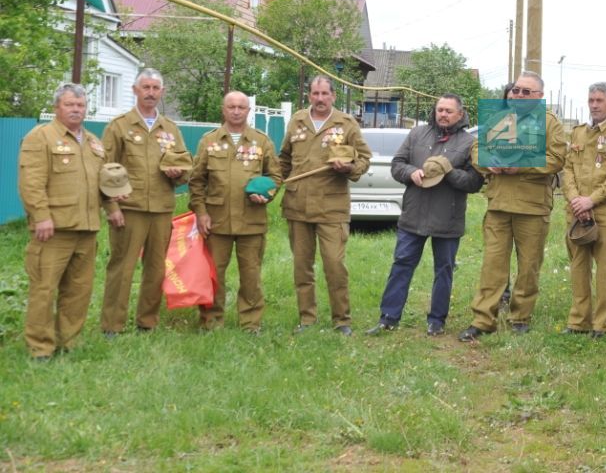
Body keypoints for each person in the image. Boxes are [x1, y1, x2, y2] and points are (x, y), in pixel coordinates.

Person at [459, 71, 566, 341]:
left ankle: (520, 317)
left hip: (532, 206)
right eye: (516, 90)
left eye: (526, 92)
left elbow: (555, 159)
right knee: (492, 265)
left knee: (529, 265)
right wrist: (488, 161)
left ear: (540, 97)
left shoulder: (549, 123)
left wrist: (519, 165)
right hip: (499, 205)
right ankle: (483, 319)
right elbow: (476, 149)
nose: (518, 95)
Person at [367, 94, 483, 336]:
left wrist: (449, 172)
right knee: (401, 264)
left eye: (449, 111)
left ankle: (436, 321)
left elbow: (474, 182)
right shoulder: (417, 134)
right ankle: (388, 317)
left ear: (460, 115)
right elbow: (397, 164)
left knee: (444, 269)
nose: (443, 114)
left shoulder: (468, 143)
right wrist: (411, 173)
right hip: (414, 213)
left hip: (447, 217)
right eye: (440, 109)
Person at [18, 83, 119, 359]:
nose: (76, 110)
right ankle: (40, 347)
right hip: (53, 230)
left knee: (79, 290)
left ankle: (69, 341)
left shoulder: (94, 142)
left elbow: (103, 183)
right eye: (69, 105)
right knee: (45, 288)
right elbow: (31, 182)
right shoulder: (41, 137)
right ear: (56, 108)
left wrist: (112, 208)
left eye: (80, 105)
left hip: (87, 229)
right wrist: (41, 216)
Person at [100, 68, 191, 336]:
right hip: (129, 210)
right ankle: (112, 326)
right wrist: (112, 207)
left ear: (162, 92)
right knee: (122, 268)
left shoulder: (171, 129)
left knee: (155, 269)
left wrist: (179, 174)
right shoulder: (119, 126)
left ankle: (146, 322)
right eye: (146, 87)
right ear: (135, 90)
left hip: (161, 209)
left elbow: (185, 166)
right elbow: (106, 169)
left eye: (155, 88)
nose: (151, 93)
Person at [279, 76, 371, 335]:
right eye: (315, 94)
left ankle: (342, 320)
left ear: (333, 96)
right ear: (309, 95)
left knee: (334, 265)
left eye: (324, 94)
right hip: (298, 206)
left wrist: (350, 167)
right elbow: (284, 158)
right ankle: (307, 319)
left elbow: (364, 158)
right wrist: (274, 183)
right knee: (302, 266)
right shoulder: (297, 120)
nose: (320, 99)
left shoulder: (346, 124)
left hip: (332, 207)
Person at [189, 91, 281, 333]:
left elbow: (275, 176)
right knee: (213, 274)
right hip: (216, 221)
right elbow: (196, 180)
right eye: (232, 107)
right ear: (224, 109)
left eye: (242, 107)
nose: (237, 111)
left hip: (251, 220)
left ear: (249, 111)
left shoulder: (262, 142)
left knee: (251, 275)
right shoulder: (208, 141)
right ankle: (211, 321)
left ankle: (250, 323)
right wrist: (200, 213)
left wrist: (267, 194)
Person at [561, 83, 606, 337]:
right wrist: (575, 200)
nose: (594, 105)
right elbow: (567, 169)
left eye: (599, 100)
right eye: (591, 100)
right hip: (577, 212)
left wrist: (591, 200)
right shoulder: (579, 133)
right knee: (578, 268)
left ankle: (603, 325)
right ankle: (579, 321)